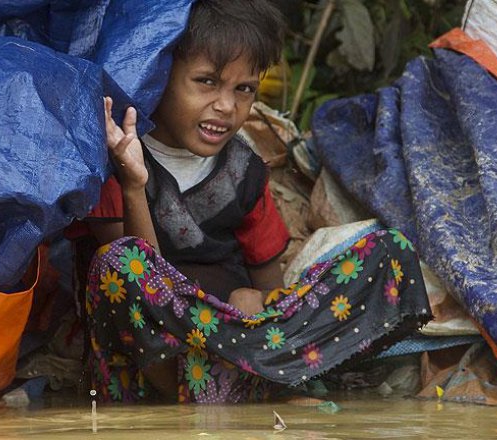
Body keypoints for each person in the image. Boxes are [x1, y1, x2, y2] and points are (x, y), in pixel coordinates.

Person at [75, 0, 431, 403]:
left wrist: (256, 309)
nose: (226, 106)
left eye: (244, 89)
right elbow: (139, 280)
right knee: (119, 261)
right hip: (155, 364)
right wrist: (134, 185)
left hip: (242, 343)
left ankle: (253, 378)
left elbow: (272, 294)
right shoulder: (117, 157)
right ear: (162, 73)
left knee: (390, 251)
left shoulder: (245, 170)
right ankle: (251, 385)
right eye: (206, 81)